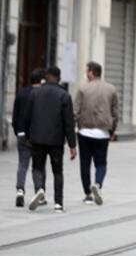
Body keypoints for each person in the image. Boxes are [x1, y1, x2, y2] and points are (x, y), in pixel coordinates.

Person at [23, 67, 77, 213]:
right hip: (56, 140)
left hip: (37, 138)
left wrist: (27, 137)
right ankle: (58, 203)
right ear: (59, 78)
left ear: (46, 77)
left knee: (37, 167)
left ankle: (40, 189)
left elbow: (27, 117)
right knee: (58, 171)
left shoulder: (35, 93)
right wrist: (72, 145)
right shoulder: (64, 95)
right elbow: (69, 123)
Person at [74, 61, 119, 206]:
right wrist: (112, 130)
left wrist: (74, 128)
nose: (86, 73)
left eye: (87, 71)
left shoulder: (82, 89)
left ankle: (87, 194)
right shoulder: (111, 89)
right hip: (103, 132)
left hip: (85, 131)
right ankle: (98, 184)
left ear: (91, 73)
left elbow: (76, 111)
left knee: (85, 163)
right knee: (101, 163)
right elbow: (115, 113)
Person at [11, 67, 46, 208]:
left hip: (21, 133)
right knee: (38, 165)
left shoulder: (21, 93)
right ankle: (39, 191)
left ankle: (20, 190)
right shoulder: (42, 94)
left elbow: (15, 116)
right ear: (42, 80)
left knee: (22, 164)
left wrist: (18, 131)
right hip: (37, 134)